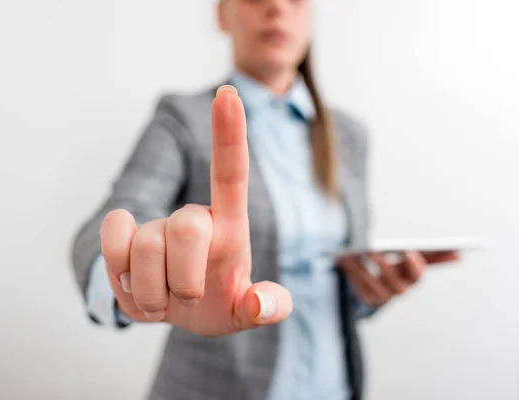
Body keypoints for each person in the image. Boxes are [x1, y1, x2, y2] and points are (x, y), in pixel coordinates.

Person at [71, 1, 458, 399]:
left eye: (295, 0)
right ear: (223, 15)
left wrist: (371, 292)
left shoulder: (349, 136)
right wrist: (128, 283)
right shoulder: (182, 118)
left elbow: (342, 289)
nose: (276, 7)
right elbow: (115, 222)